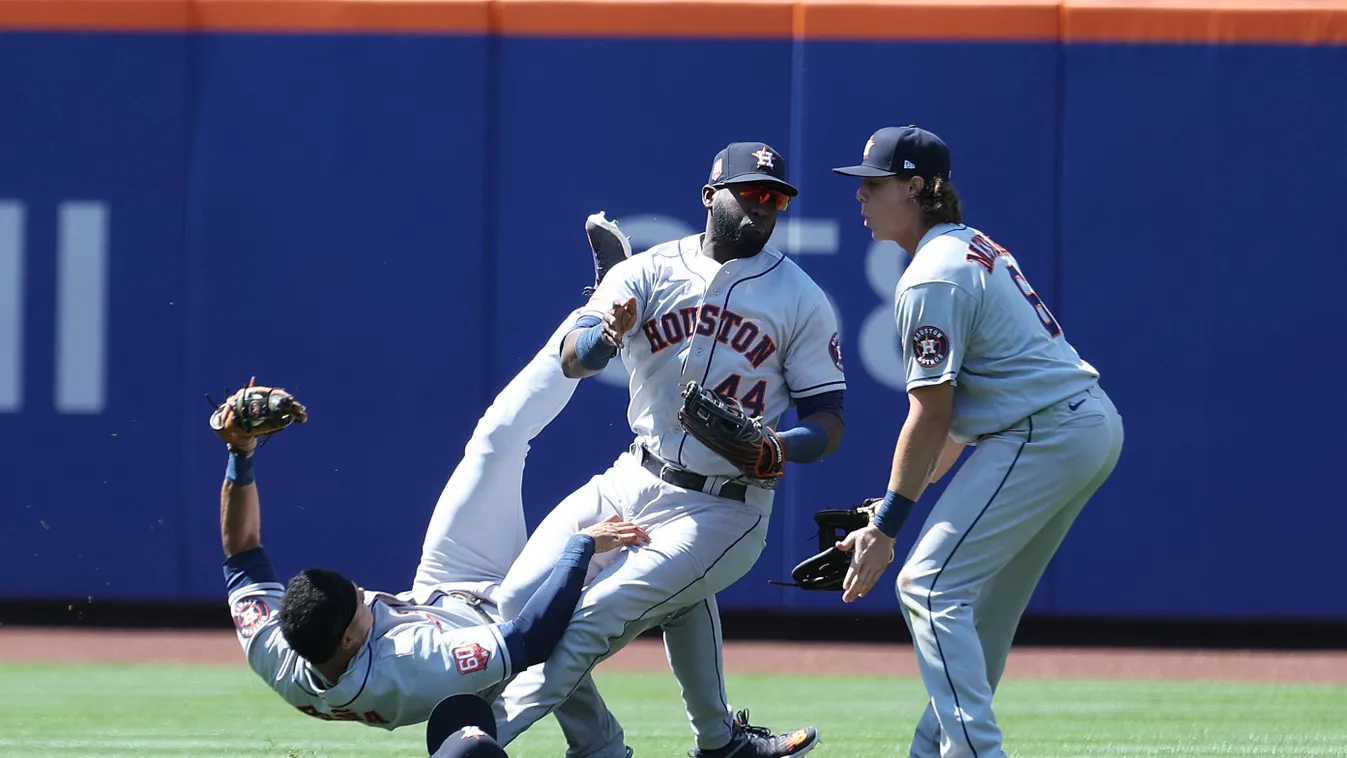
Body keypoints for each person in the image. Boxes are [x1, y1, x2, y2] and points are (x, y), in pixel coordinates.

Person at [216, 213, 759, 758]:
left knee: (496, 437)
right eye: (356, 603)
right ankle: (605, 748)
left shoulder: (278, 648)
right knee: (576, 627)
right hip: (494, 636)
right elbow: (531, 637)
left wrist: (240, 455)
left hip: (446, 582)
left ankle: (596, 323)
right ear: (350, 641)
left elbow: (242, 554)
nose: (363, 592)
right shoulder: (410, 668)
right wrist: (580, 548)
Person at [491, 141, 846, 758]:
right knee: (519, 601)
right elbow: (573, 359)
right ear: (711, 196)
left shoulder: (801, 298)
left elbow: (828, 421)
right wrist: (605, 336)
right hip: (633, 478)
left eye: (777, 198)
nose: (766, 207)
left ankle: (479, 737)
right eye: (753, 193)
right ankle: (676, 744)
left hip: (725, 507)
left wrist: (776, 450)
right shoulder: (648, 272)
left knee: (590, 620)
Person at [829, 125, 1125, 758]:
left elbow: (930, 416)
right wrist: (884, 512)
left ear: (916, 188)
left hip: (1045, 432)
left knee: (928, 587)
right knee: (980, 606)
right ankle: (929, 747)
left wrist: (887, 531)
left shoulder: (932, 276)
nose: (861, 196)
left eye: (874, 184)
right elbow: (954, 427)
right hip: (1075, 426)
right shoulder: (966, 247)